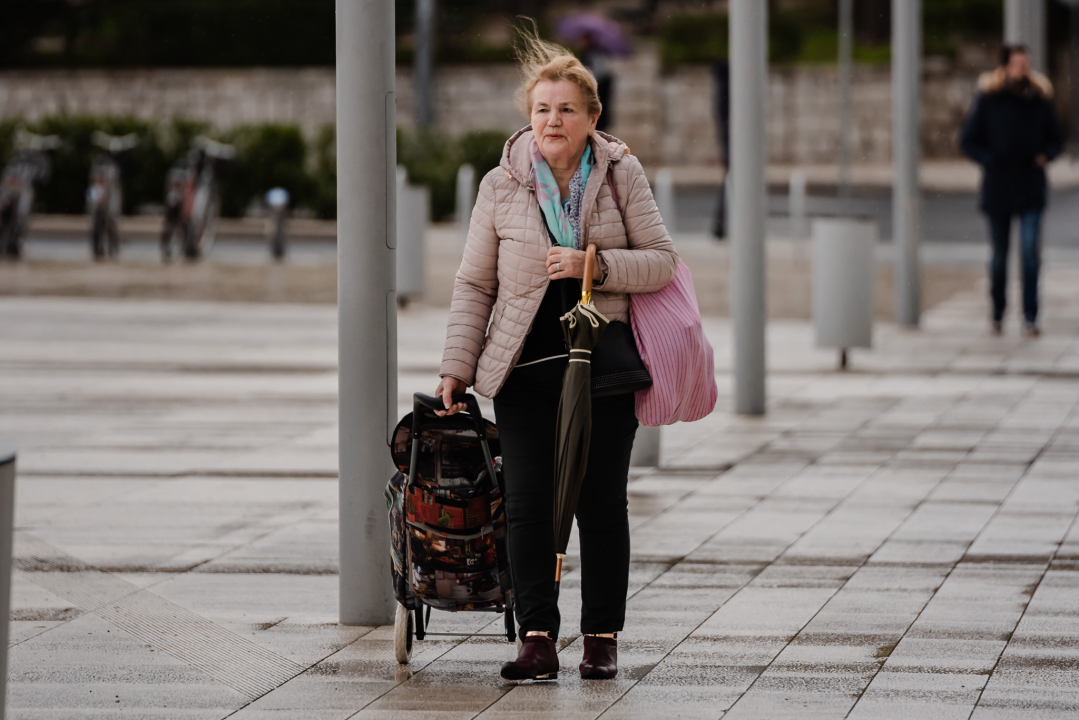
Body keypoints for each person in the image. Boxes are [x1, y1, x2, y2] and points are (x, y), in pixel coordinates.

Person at [434, 28, 677, 682]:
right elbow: (474, 282)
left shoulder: (621, 173)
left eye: (566, 109)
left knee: (601, 503)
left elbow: (660, 263)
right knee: (529, 503)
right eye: (541, 109)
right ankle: (536, 636)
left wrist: (590, 263)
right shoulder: (500, 185)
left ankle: (601, 636)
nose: (552, 120)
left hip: (602, 366)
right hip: (523, 371)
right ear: (527, 117)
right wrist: (456, 367)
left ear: (592, 117)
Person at [960, 44, 1063, 337]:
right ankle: (997, 313)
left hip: (1031, 185)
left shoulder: (1040, 100)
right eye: (1018, 63)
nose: (1023, 69)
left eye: (1026, 63)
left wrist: (1046, 154)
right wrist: (989, 160)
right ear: (1005, 66)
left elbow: (1056, 138)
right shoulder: (989, 99)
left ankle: (1031, 316)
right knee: (999, 255)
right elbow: (968, 140)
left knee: (1030, 252)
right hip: (999, 187)